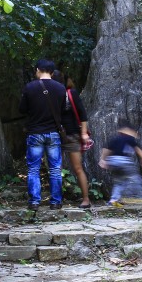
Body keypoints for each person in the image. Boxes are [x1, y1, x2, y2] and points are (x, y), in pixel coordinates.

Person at [18, 59, 66, 209]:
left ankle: (34, 201)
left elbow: (22, 109)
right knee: (55, 169)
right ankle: (56, 202)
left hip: (35, 132)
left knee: (33, 169)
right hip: (53, 132)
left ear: (38, 70)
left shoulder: (30, 87)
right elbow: (63, 110)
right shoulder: (60, 88)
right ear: (52, 72)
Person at [53, 71, 92, 208]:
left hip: (72, 135)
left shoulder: (70, 93)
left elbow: (83, 114)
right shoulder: (50, 95)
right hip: (55, 135)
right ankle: (56, 199)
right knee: (55, 169)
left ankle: (86, 199)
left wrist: (84, 133)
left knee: (77, 168)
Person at [99, 118, 142, 205]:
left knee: (118, 182)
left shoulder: (115, 139)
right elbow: (139, 151)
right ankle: (141, 197)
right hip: (124, 161)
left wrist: (103, 160)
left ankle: (113, 200)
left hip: (113, 161)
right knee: (135, 178)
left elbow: (106, 150)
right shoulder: (129, 139)